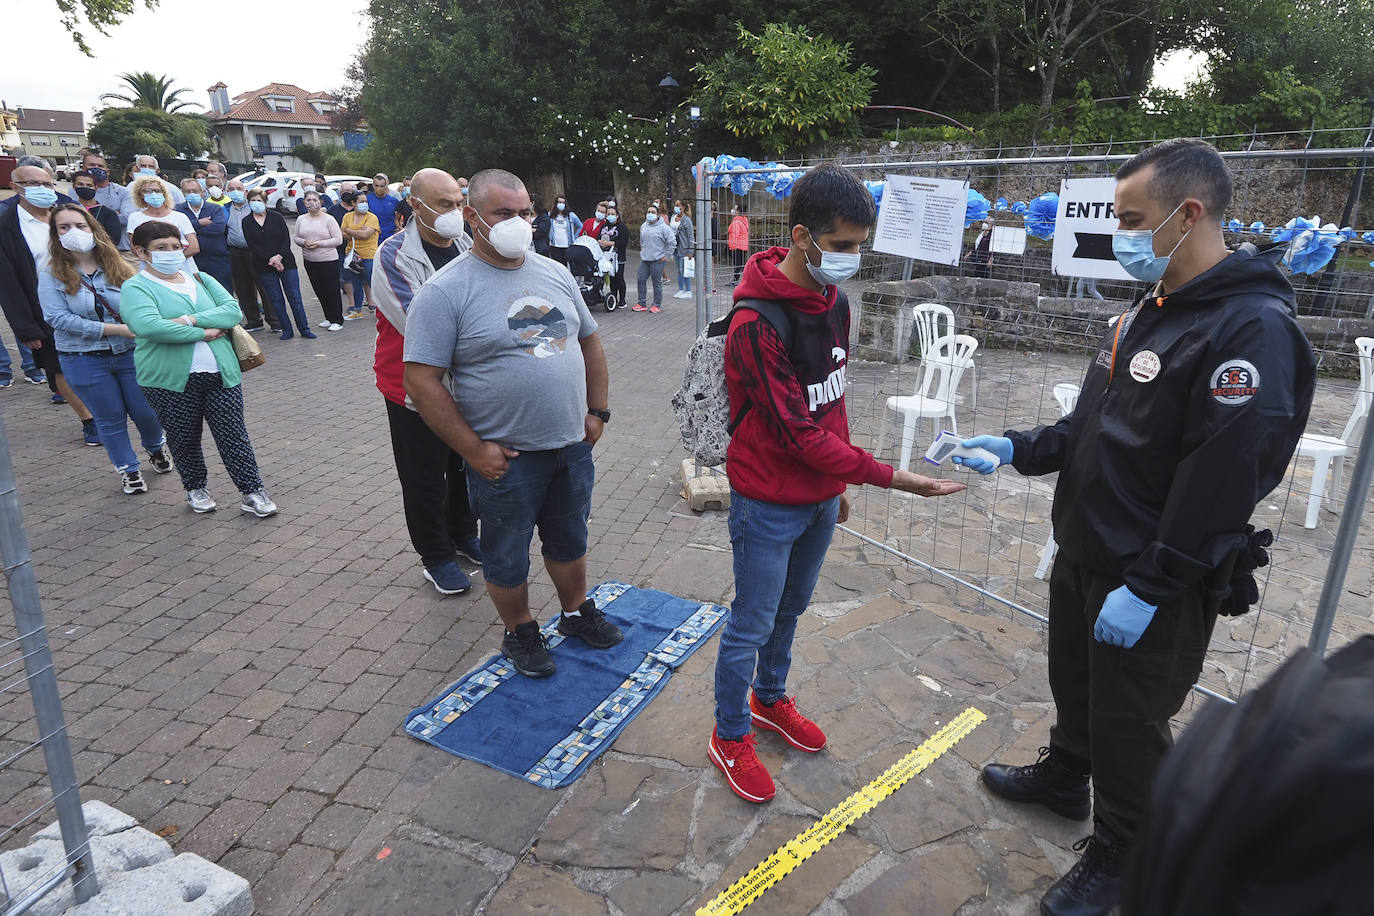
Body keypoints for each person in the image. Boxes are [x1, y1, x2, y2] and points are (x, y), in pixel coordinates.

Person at [960, 138, 1317, 916]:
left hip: (1152, 573)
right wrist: (1019, 447)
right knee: (1078, 684)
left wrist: (1153, 582)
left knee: (1131, 717)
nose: (1118, 236)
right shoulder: (1146, 311)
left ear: (1187, 216)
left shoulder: (1249, 330)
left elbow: (1226, 477)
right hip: (1088, 547)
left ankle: (1128, 848)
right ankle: (1065, 776)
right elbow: (1091, 425)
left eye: (1131, 219)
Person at [706, 164, 965, 804]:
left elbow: (833, 404)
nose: (854, 258)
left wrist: (837, 484)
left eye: (860, 244)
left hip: (818, 497)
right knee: (752, 620)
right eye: (843, 246)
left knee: (791, 611)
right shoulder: (754, 323)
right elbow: (796, 432)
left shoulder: (836, 301)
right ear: (802, 237)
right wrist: (888, 477)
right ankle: (730, 732)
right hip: (766, 501)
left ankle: (769, 700)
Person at [404, 168, 618, 678]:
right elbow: (421, 381)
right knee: (506, 554)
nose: (519, 223)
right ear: (472, 217)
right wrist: (473, 450)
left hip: (569, 446)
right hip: (507, 459)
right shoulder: (444, 291)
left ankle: (573, 612)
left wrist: (597, 411)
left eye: (525, 212)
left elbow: (588, 341)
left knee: (570, 540)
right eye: (504, 213)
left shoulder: (553, 271)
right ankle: (520, 632)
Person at [121, 220, 277, 517]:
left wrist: (188, 320)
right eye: (160, 248)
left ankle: (252, 491)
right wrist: (203, 331)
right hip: (167, 379)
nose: (171, 252)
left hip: (221, 373)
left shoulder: (201, 278)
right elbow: (147, 326)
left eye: (175, 246)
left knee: (233, 435)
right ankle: (195, 488)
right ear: (142, 252)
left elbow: (232, 311)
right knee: (183, 438)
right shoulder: (136, 287)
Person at [373, 168, 481, 595]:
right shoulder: (393, 255)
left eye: (458, 203)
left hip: (463, 382)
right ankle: (435, 556)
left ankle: (464, 535)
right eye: (443, 204)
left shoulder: (468, 245)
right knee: (424, 475)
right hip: (411, 387)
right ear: (415, 206)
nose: (454, 213)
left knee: (462, 465)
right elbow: (420, 324)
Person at [38, 204, 171, 494]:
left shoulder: (120, 266)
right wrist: (113, 329)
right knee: (109, 417)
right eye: (64, 227)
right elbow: (57, 318)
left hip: (130, 353)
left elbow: (144, 301)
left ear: (93, 229)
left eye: (80, 225)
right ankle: (129, 469)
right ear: (55, 234)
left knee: (146, 411)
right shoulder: (51, 275)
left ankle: (155, 447)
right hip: (83, 358)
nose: (73, 232)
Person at [0, 161, 99, 434]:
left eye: (46, 184)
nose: (42, 189)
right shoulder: (7, 225)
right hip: (44, 307)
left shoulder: (66, 216)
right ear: (14, 187)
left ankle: (105, 409)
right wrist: (24, 326)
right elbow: (7, 282)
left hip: (86, 298)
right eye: (32, 184)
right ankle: (89, 420)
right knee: (59, 364)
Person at [241, 188, 316, 340]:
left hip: (286, 262)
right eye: (253, 201)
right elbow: (253, 246)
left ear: (266, 202)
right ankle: (286, 330)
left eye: (259, 201)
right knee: (275, 299)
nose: (256, 204)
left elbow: (285, 240)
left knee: (295, 297)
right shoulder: (247, 221)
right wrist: (272, 260)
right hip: (264, 266)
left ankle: (304, 329)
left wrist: (279, 257)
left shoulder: (277, 217)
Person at [223, 179, 278, 333]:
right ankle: (254, 321)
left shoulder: (255, 206)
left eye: (239, 188)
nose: (235, 191)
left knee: (264, 286)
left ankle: (275, 320)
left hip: (256, 252)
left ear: (245, 191)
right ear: (227, 192)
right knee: (243, 288)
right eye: (231, 188)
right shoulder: (225, 209)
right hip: (235, 252)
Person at [293, 190, 345, 331]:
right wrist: (304, 242)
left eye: (314, 200)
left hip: (328, 260)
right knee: (319, 289)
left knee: (331, 290)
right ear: (304, 202)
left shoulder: (328, 219)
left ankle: (337, 319)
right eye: (308, 200)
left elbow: (338, 239)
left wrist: (320, 243)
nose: (312, 203)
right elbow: (296, 237)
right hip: (310, 260)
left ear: (319, 201)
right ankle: (328, 317)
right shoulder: (301, 219)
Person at [125, 177, 200, 273]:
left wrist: (171, 261)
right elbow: (134, 247)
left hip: (184, 268)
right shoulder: (135, 217)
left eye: (157, 190)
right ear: (141, 195)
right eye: (147, 191)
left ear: (164, 193)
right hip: (152, 270)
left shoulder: (180, 217)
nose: (153, 194)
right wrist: (157, 263)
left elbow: (194, 246)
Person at [177, 178, 231, 293]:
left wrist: (189, 230)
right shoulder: (178, 210)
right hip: (191, 259)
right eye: (188, 191)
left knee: (222, 290)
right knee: (198, 292)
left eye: (195, 191)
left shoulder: (215, 208)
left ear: (202, 192)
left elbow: (218, 229)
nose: (192, 194)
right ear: (182, 193)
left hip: (216, 258)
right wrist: (199, 223)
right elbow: (177, 231)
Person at [78, 150, 131, 248]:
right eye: (92, 165)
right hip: (88, 249)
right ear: (83, 169)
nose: (96, 168)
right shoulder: (76, 191)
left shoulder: (122, 192)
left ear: (107, 171)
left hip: (121, 249)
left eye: (100, 166)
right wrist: (112, 215)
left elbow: (126, 219)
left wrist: (95, 216)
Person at [341, 191, 380, 319]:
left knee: (371, 282)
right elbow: (342, 234)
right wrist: (357, 232)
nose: (365, 204)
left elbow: (365, 235)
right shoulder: (347, 216)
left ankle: (381, 309)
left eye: (366, 202)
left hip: (369, 254)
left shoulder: (372, 217)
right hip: (353, 255)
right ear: (353, 203)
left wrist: (350, 230)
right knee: (356, 283)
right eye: (361, 202)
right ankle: (357, 310)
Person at [633, 203, 674, 313]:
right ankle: (641, 303)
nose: (650, 214)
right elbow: (642, 241)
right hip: (645, 260)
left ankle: (656, 304)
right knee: (640, 279)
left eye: (653, 212)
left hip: (657, 260)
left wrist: (667, 255)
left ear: (658, 215)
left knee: (656, 282)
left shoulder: (664, 228)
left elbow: (672, 242)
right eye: (648, 212)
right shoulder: (643, 226)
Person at [119, 156, 184, 220]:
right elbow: (127, 211)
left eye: (151, 166)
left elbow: (182, 208)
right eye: (143, 166)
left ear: (157, 170)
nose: (147, 169)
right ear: (137, 168)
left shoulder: (172, 188)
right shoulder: (131, 187)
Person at [71, 170, 125, 244]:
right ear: (74, 187)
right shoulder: (69, 211)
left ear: (96, 188)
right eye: (80, 184)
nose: (85, 187)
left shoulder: (108, 213)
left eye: (89, 185)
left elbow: (114, 241)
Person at [599, 204, 628, 306]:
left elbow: (623, 243)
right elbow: (600, 236)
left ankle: (622, 300)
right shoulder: (604, 226)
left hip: (618, 256)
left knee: (619, 277)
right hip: (606, 256)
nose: (610, 215)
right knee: (611, 278)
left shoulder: (622, 227)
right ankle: (613, 297)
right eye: (608, 214)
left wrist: (610, 243)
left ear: (617, 215)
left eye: (612, 214)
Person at [545, 194, 580, 264]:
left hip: (568, 246)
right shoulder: (550, 215)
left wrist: (575, 237)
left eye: (563, 203)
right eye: (559, 202)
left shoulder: (571, 215)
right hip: (555, 245)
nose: (561, 204)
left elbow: (580, 226)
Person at [366, 173, 401, 245]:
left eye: (381, 186)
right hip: (372, 238)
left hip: (390, 238)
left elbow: (400, 217)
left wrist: (398, 228)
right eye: (376, 186)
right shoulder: (367, 199)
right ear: (373, 185)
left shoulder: (393, 201)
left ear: (386, 186)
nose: (379, 188)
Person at [671, 199, 695, 299]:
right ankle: (681, 289)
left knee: (684, 269)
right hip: (675, 248)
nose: (676, 207)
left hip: (684, 247)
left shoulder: (687, 220)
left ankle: (688, 290)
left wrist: (691, 250)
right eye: (675, 205)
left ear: (683, 207)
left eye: (678, 205)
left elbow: (690, 236)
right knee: (679, 270)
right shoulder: (673, 217)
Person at [728, 201, 750, 282]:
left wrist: (732, 247)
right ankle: (738, 279)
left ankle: (736, 280)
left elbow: (735, 235)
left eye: (735, 209)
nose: (733, 210)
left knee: (738, 264)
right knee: (740, 264)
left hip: (737, 245)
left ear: (739, 211)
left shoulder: (737, 222)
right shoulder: (744, 220)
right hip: (743, 245)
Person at [530, 193, 551, 257]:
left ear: (532, 203)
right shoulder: (526, 216)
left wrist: (529, 230)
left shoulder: (544, 217)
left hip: (541, 250)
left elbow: (541, 232)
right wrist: (533, 230)